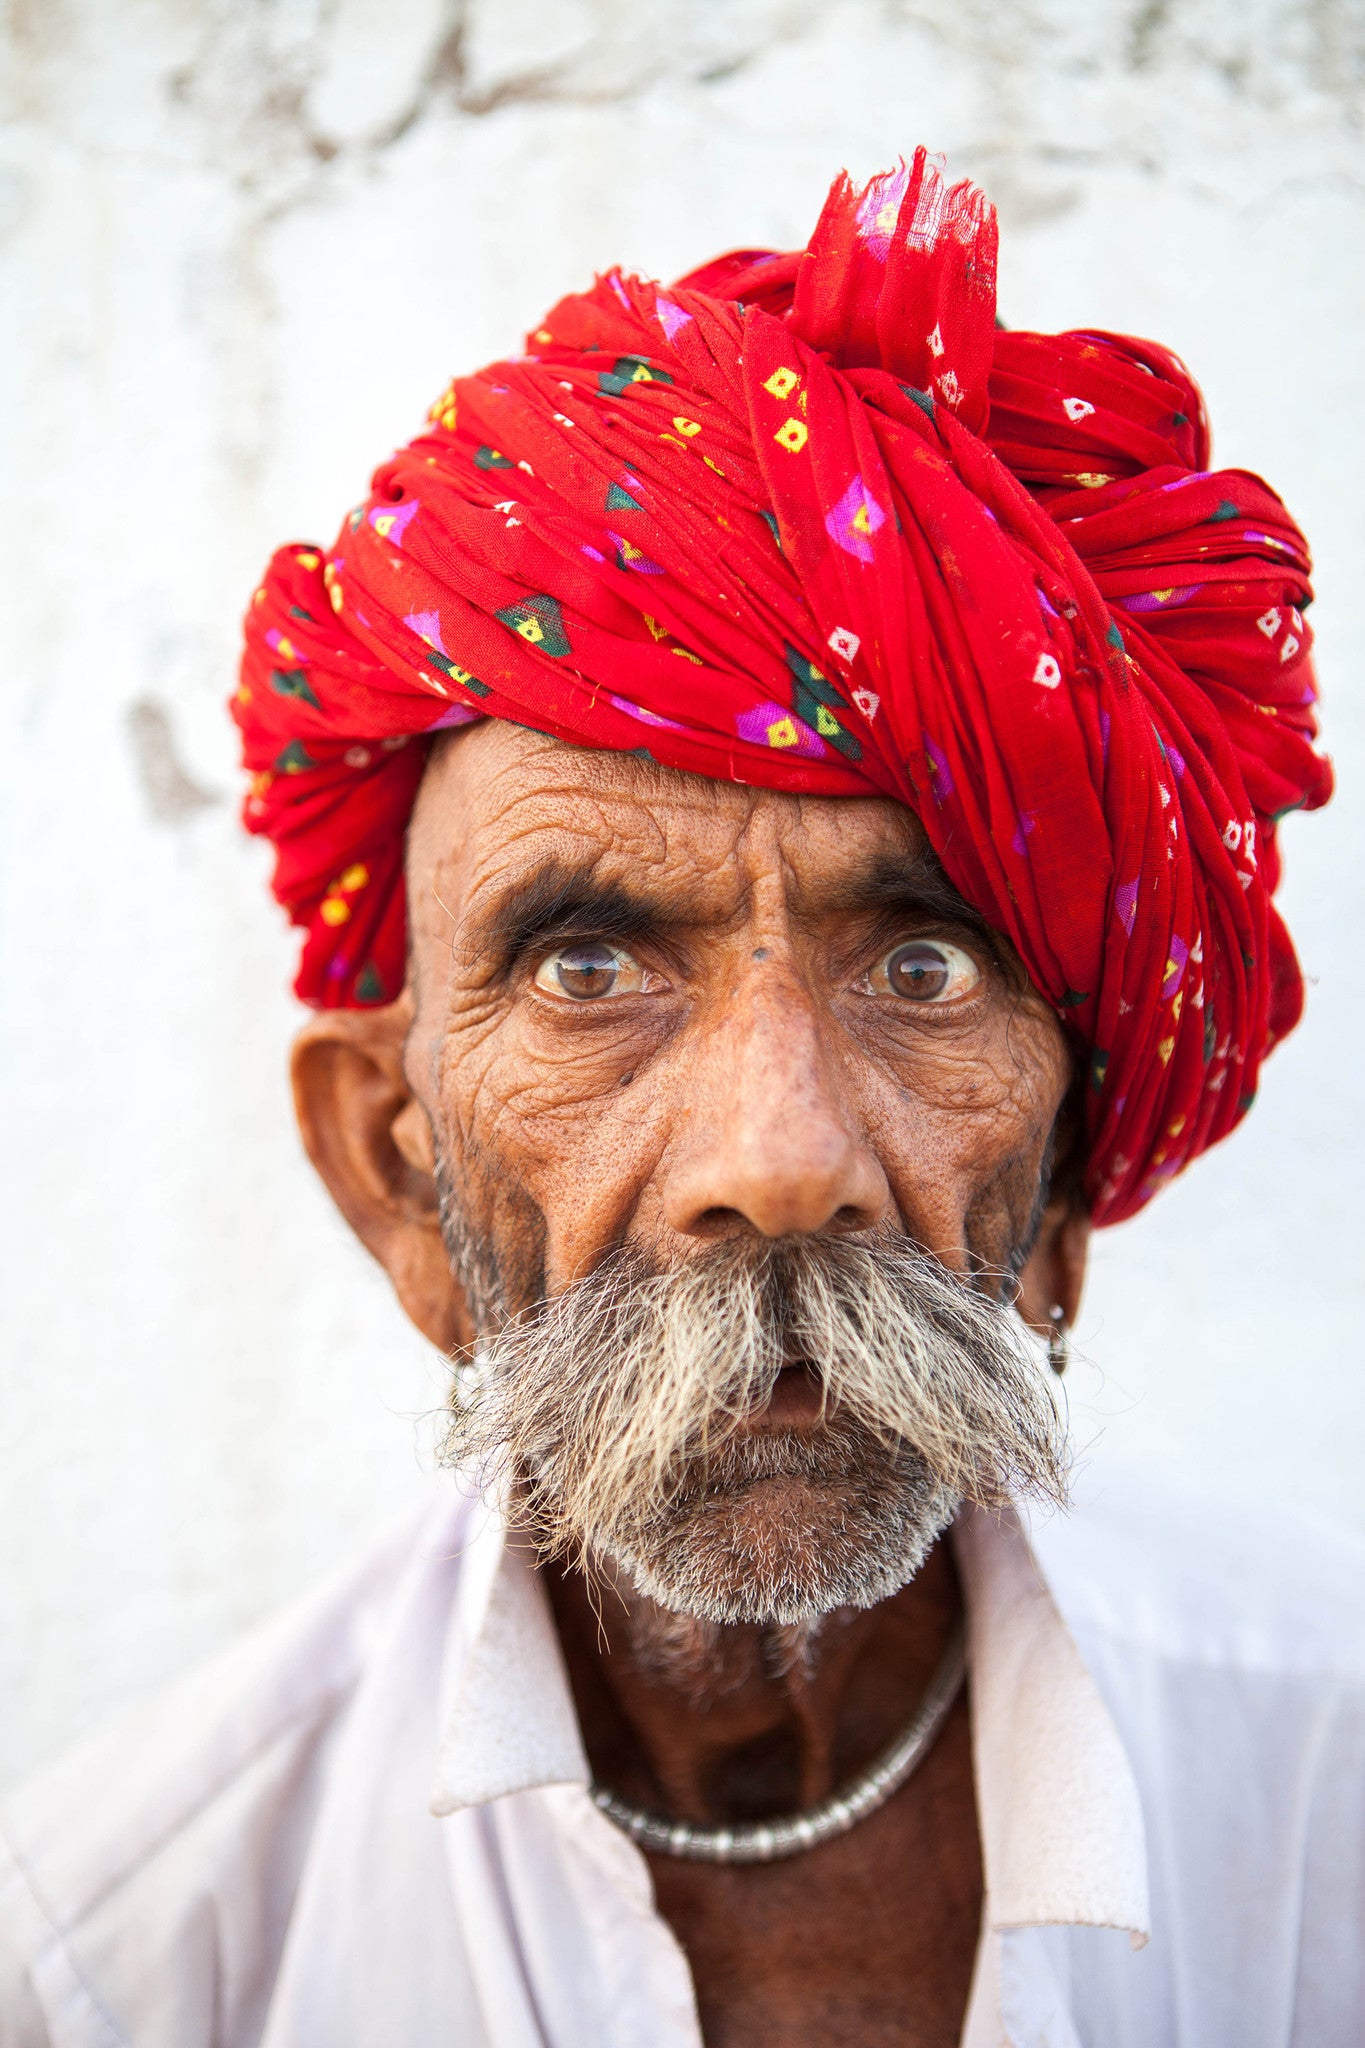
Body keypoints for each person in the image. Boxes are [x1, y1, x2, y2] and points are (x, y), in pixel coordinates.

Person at [2, 148, 1361, 2048]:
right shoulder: (126, 1956)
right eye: (586, 968)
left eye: (923, 965)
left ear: (1053, 1198)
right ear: (399, 1175)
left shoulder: (1326, 1782)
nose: (777, 1163)